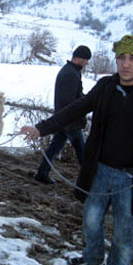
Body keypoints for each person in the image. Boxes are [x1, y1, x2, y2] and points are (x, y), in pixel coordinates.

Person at [20, 35, 133, 265]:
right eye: (121, 57)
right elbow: (75, 108)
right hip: (99, 169)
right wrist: (40, 129)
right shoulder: (106, 86)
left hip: (132, 178)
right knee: (91, 220)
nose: (125, 64)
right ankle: (93, 258)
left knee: (123, 234)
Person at [35, 45, 92, 184]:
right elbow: (69, 101)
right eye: (86, 60)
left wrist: (86, 100)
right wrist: (82, 106)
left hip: (65, 119)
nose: (87, 63)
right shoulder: (71, 74)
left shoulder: (71, 71)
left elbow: (75, 96)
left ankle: (42, 173)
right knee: (82, 152)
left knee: (55, 147)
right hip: (70, 121)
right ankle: (89, 182)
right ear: (80, 58)